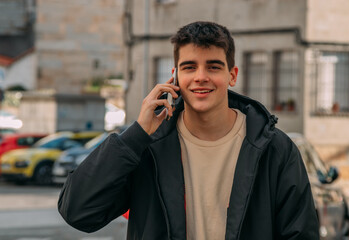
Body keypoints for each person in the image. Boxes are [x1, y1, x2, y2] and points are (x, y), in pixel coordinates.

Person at [58, 21, 319, 239]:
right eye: (189, 67)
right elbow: (78, 212)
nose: (201, 76)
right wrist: (136, 134)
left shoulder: (275, 149)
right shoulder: (147, 148)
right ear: (174, 77)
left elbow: (301, 234)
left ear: (232, 75)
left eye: (213, 66)